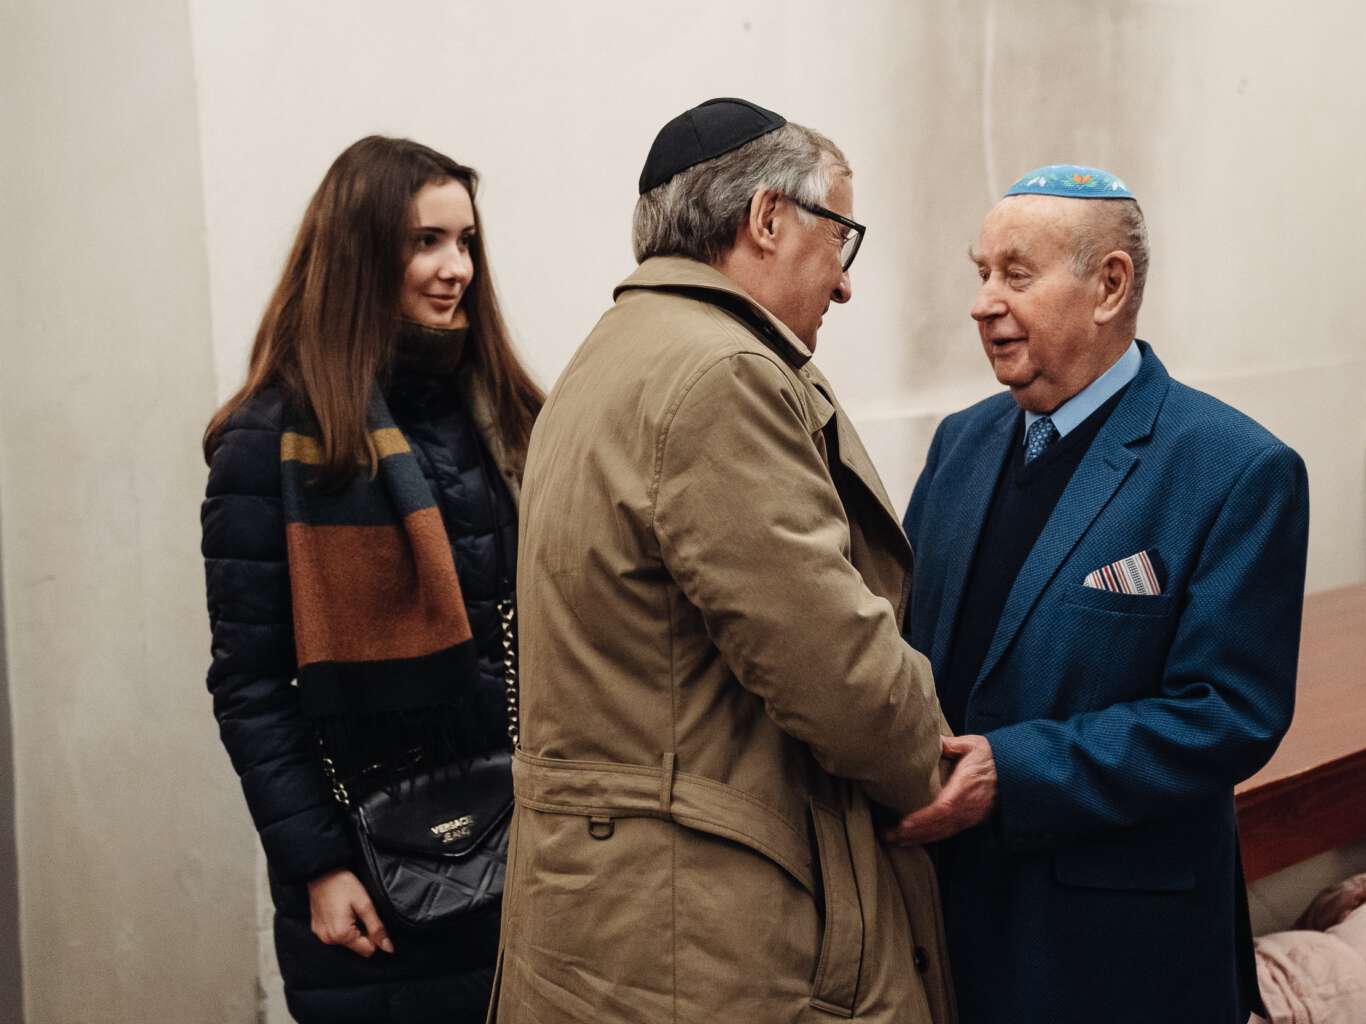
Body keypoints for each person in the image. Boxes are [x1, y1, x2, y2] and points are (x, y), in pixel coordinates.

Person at [488, 98, 953, 1024]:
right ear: (768, 218)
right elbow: (835, 666)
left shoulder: (613, 355)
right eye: (841, 236)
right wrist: (934, 770)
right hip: (700, 929)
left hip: (614, 910)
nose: (845, 283)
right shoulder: (720, 376)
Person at [891, 165, 1309, 1023]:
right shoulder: (960, 444)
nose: (982, 303)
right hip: (947, 922)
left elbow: (1229, 713)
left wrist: (1014, 773)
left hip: (1115, 950)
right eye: (982, 273)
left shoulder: (1234, 468)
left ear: (1109, 287)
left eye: (1016, 274)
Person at [200, 135, 542, 1023]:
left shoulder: (499, 416)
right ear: (360, 253)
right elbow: (250, 686)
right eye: (426, 241)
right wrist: (318, 865)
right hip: (372, 882)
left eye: (465, 242)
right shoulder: (269, 443)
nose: (456, 268)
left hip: (522, 853)